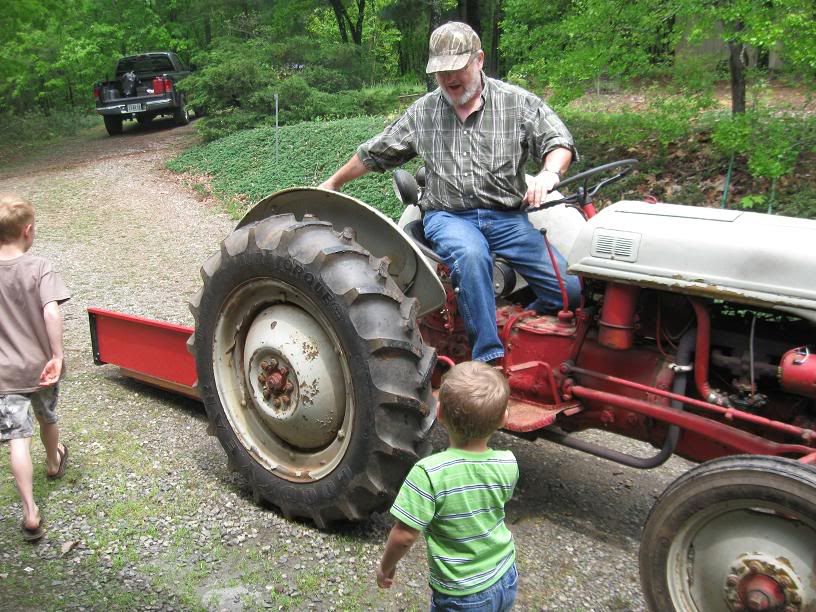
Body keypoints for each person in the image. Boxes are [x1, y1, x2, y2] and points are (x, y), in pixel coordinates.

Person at [319, 21, 581, 363]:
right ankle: (489, 360)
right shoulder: (424, 112)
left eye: (456, 69)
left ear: (479, 60)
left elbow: (559, 141)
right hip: (449, 217)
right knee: (471, 257)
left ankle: (516, 330)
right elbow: (375, 152)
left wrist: (548, 173)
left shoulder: (516, 103)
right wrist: (334, 183)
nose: (449, 79)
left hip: (507, 218)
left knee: (569, 291)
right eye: (441, 72)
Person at [376, 360, 519, 610]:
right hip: (506, 575)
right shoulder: (508, 463)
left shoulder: (428, 474)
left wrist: (386, 567)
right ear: (503, 419)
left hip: (463, 593)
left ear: (438, 413)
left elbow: (405, 535)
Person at [0, 192, 70, 542]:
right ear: (27, 231)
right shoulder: (40, 267)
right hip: (42, 368)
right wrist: (56, 355)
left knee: (17, 439)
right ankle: (54, 462)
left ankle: (29, 511)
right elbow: (51, 310)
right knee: (47, 418)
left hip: (4, 374)